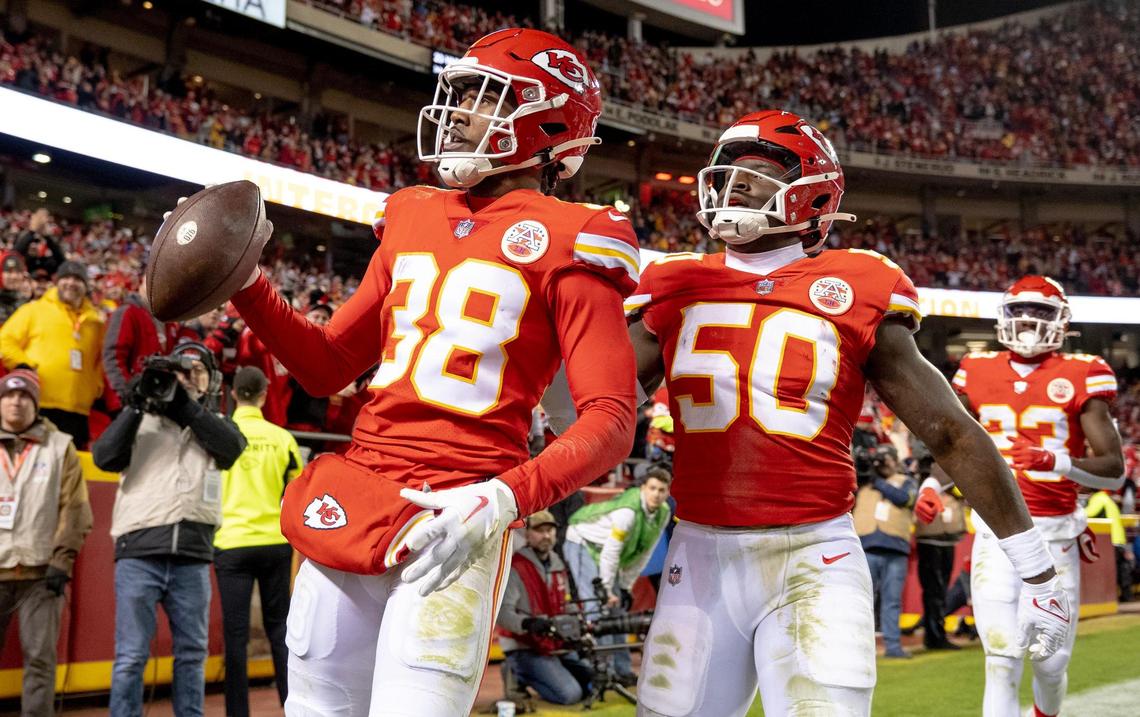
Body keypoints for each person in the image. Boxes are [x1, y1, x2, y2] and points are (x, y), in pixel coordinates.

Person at [183, 28, 639, 716]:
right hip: (359, 491)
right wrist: (247, 283)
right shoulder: (410, 211)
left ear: (549, 122)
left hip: (458, 510)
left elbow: (611, 419)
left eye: (483, 97)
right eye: (458, 94)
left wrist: (504, 498)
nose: (456, 112)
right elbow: (326, 364)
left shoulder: (579, 233)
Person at [609, 110, 1067, 716]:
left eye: (757, 173)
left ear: (814, 195)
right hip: (698, 554)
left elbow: (949, 431)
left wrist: (1037, 571)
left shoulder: (857, 283)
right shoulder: (673, 282)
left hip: (813, 555)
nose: (733, 184)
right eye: (727, 171)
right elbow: (596, 407)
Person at [951, 275, 1124, 717]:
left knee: (1051, 661)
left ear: (1061, 320)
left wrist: (1057, 462)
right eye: (1019, 310)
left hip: (1055, 535)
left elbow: (1114, 470)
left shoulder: (1084, 371)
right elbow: (955, 443)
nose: (1028, 319)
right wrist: (933, 485)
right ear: (1003, 317)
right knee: (1001, 657)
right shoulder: (976, 368)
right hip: (997, 534)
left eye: (1041, 311)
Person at [92, 342, 246, 717]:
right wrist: (136, 405)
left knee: (192, 654)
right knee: (131, 656)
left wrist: (185, 407)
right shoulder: (140, 419)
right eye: (182, 370)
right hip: (139, 554)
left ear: (212, 381)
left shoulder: (217, 425)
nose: (189, 377)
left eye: (198, 371)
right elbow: (104, 457)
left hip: (192, 557)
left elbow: (231, 449)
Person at [0, 368, 93, 716]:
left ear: (37, 404)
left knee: (40, 660)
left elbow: (75, 508)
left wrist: (61, 560)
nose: (16, 402)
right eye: (9, 395)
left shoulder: (59, 446)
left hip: (41, 573)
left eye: (24, 396)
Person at [214, 366, 304, 717]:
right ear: (265, 395)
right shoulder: (283, 439)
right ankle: (292, 707)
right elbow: (296, 491)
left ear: (234, 394)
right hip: (274, 544)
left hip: (231, 543)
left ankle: (237, 713)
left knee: (236, 636)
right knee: (280, 629)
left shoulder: (220, 434)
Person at [562, 468, 671, 682]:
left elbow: (644, 552)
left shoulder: (663, 512)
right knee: (597, 607)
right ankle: (606, 671)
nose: (656, 494)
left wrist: (624, 587)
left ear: (667, 493)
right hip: (582, 542)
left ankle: (623, 670)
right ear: (643, 488)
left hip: (607, 552)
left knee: (617, 609)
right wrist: (606, 589)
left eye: (661, 490)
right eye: (652, 488)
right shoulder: (627, 513)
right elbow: (611, 553)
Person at [0, 259, 105, 448]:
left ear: (85, 286)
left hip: (78, 409)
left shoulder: (95, 323)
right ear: (57, 282)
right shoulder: (33, 310)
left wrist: (95, 387)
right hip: (40, 403)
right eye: (66, 278)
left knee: (70, 461)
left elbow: (100, 360)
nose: (71, 283)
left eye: (77, 279)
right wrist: (24, 365)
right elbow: (4, 341)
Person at [497, 510, 592, 705]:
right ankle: (515, 671)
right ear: (527, 534)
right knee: (570, 695)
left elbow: (566, 604)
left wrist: (577, 624)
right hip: (524, 646)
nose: (546, 536)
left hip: (556, 642)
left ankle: (549, 670)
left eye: (550, 530)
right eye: (540, 531)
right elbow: (502, 614)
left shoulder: (558, 563)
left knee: (591, 684)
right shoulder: (515, 566)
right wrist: (528, 624)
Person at [914, 462, 966, 650]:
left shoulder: (952, 489)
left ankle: (937, 633)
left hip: (947, 541)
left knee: (941, 591)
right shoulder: (922, 485)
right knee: (933, 592)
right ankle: (934, 635)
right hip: (929, 542)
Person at [1085, 489, 1133, 602]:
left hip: (1109, 540)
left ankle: (1109, 597)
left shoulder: (1099, 499)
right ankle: (1127, 596)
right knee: (1122, 570)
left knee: (1112, 571)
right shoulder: (1108, 499)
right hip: (1118, 539)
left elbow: (1088, 513)